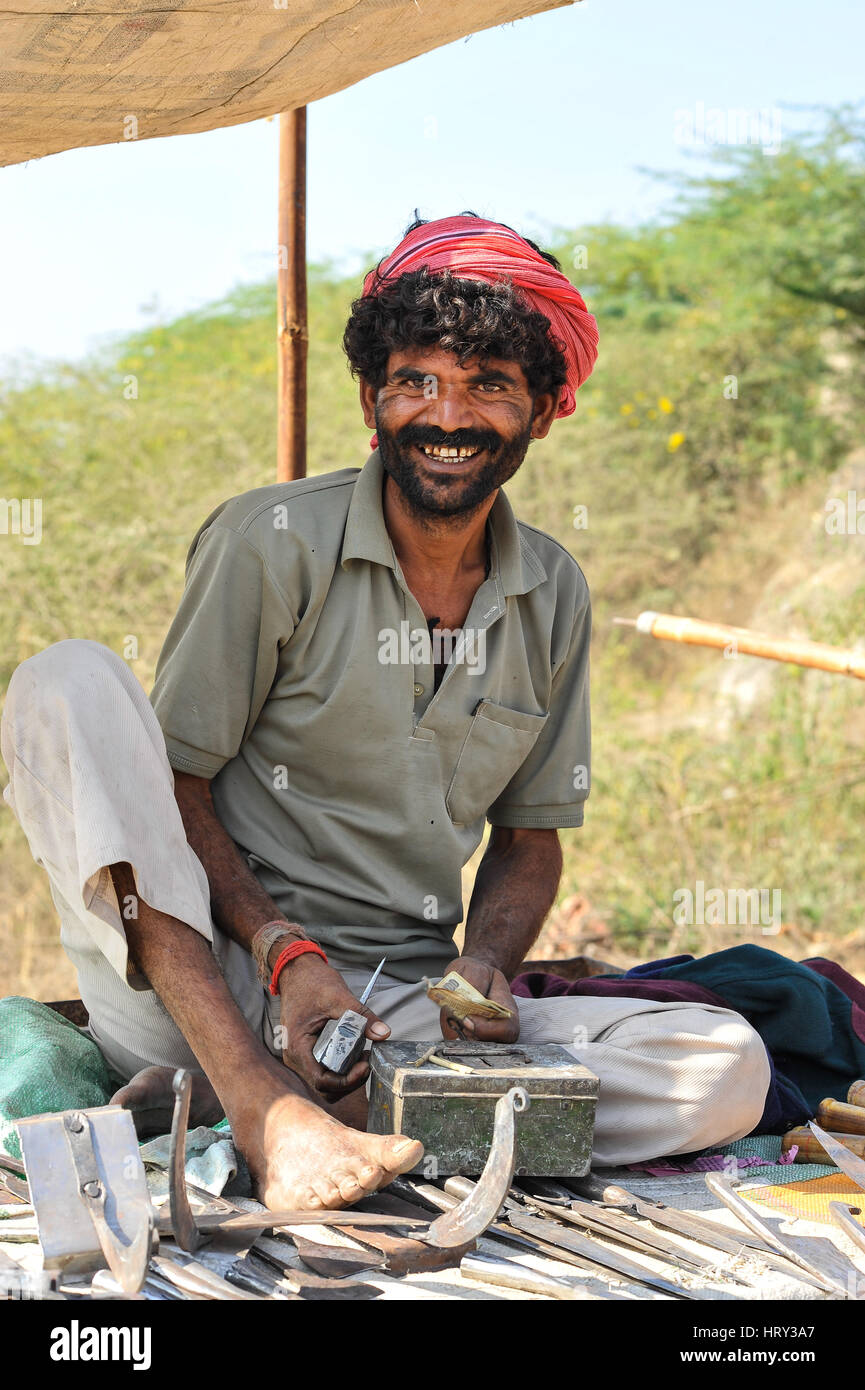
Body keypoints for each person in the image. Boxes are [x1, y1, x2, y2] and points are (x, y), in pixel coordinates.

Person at [1, 214, 769, 1211]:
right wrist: (284, 953)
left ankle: (345, 1109)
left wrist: (485, 968)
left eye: (489, 383)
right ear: (372, 397)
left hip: (399, 1021)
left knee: (724, 1064)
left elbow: (529, 841)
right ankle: (258, 1107)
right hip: (200, 986)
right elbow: (177, 787)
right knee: (65, 680)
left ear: (542, 408)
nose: (447, 413)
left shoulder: (552, 591)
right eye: (416, 380)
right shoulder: (271, 543)